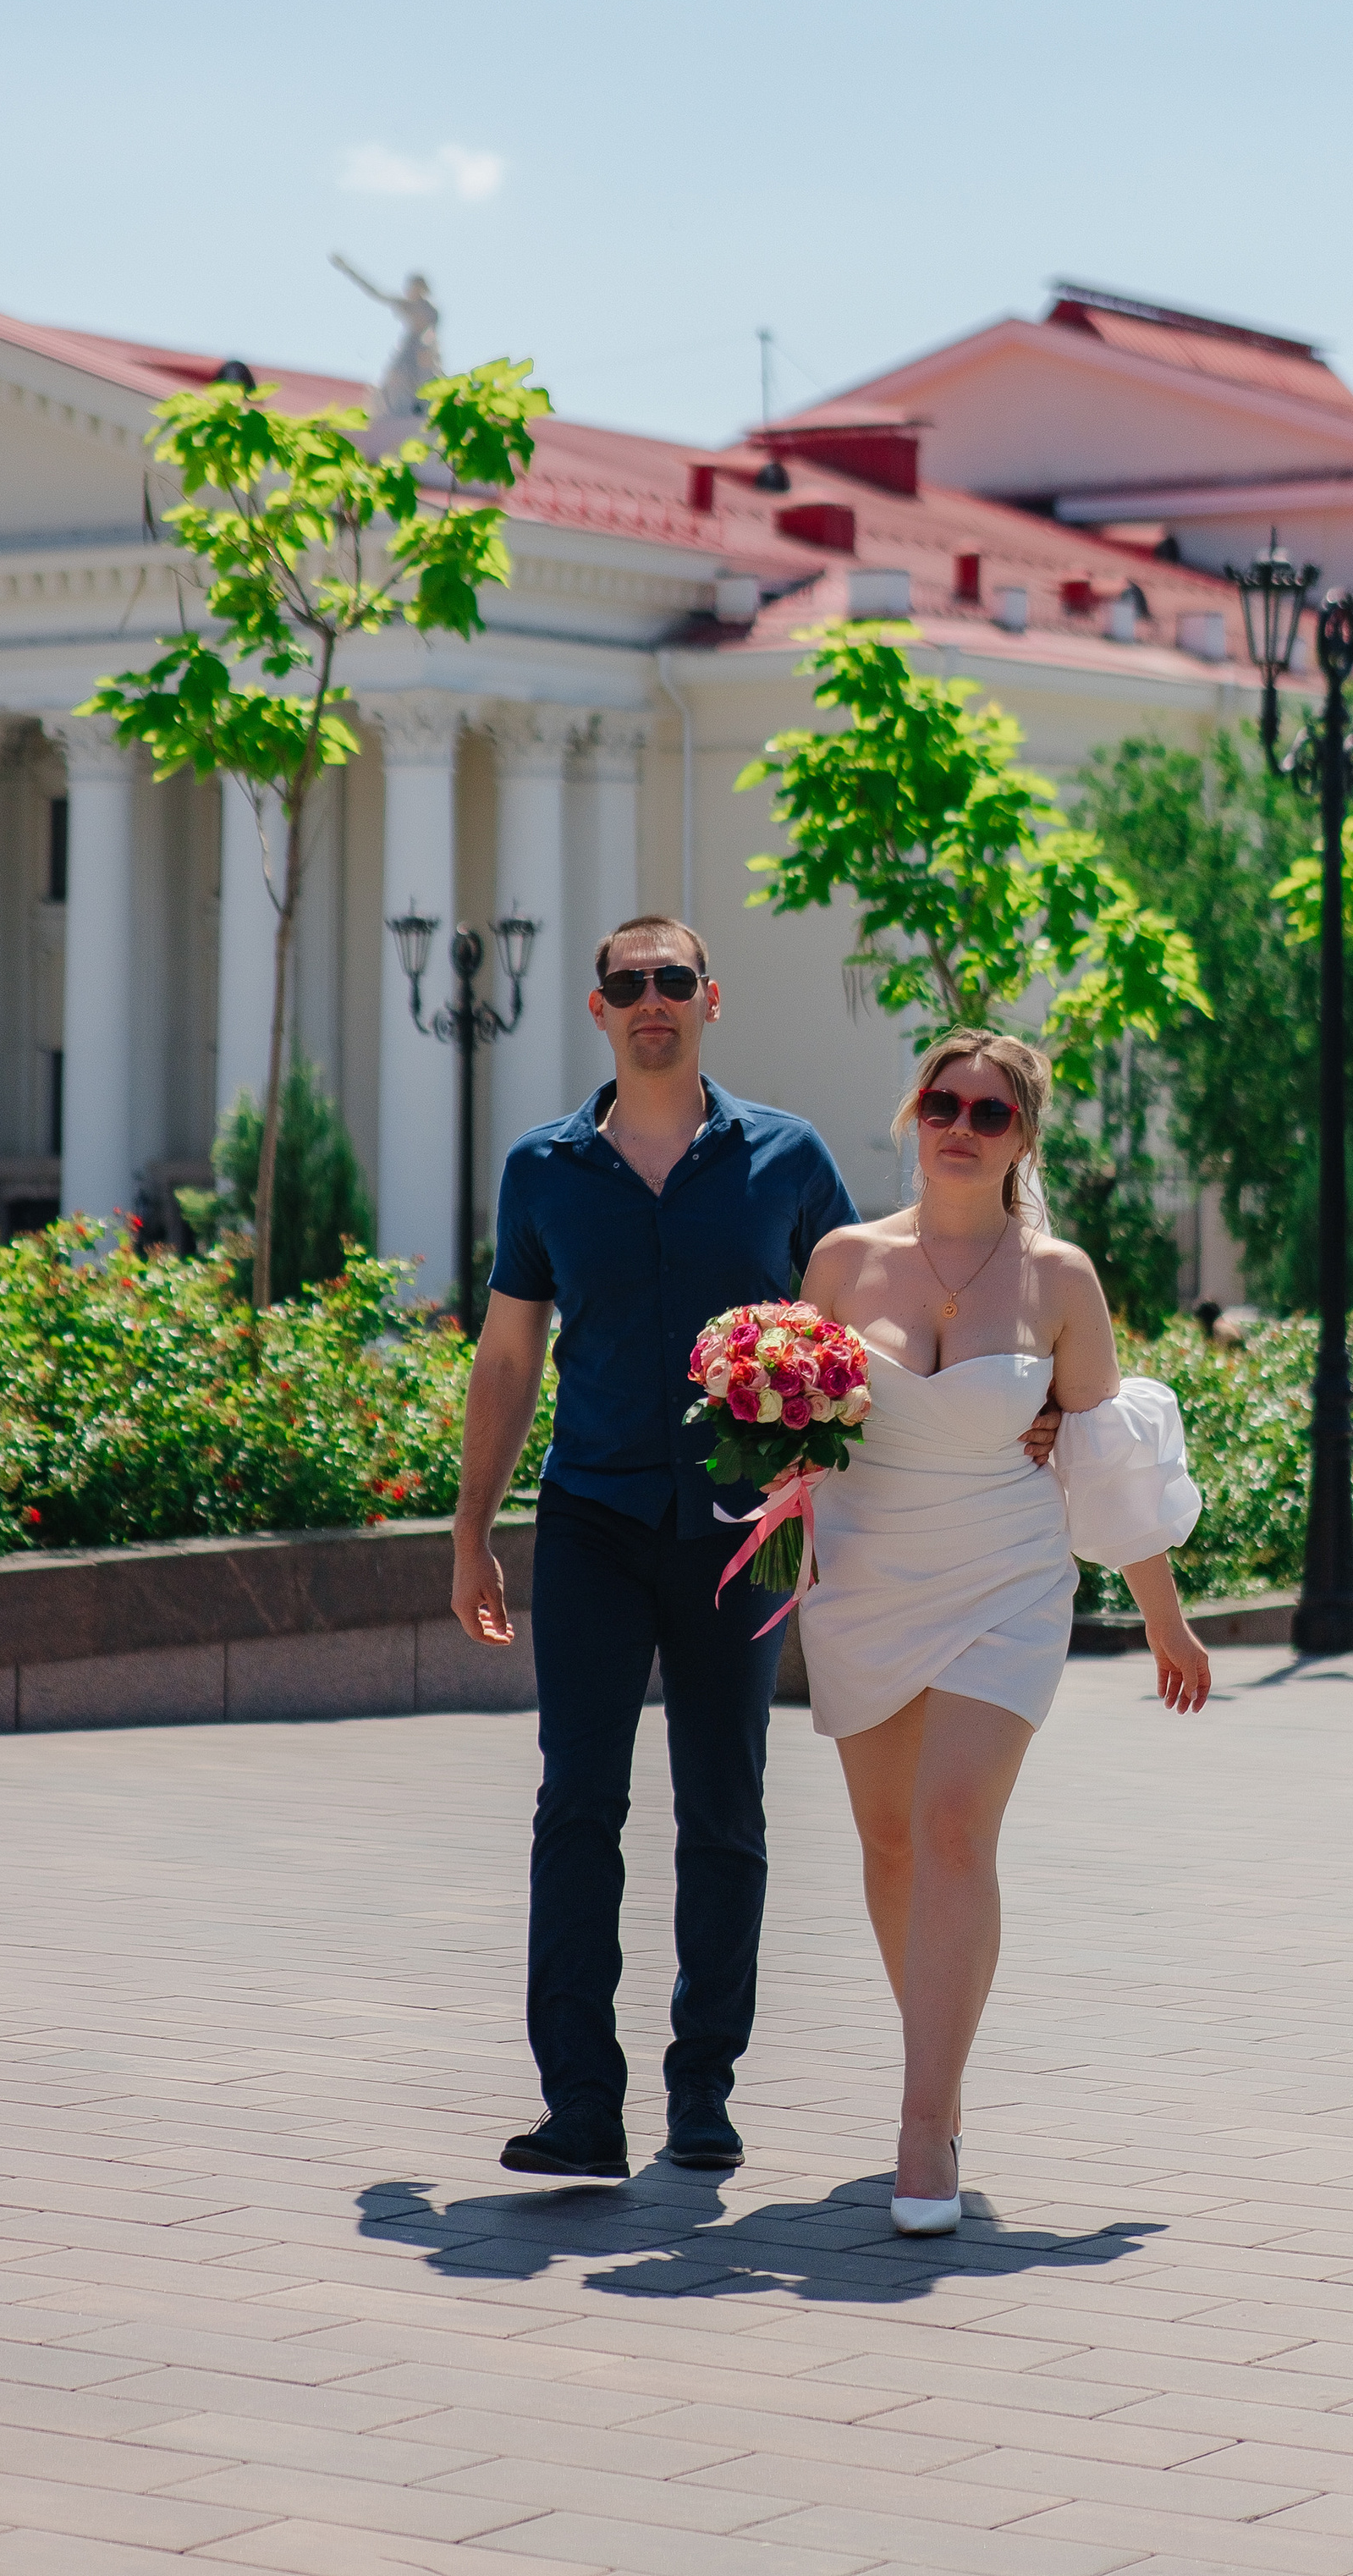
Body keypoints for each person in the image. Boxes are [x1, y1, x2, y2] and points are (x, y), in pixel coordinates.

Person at [449, 912, 860, 2184]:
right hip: (592, 1522)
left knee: (725, 1811)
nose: (650, 1000)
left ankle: (703, 2095)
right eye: (626, 983)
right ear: (598, 1010)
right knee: (578, 1802)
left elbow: (861, 1325)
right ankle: (579, 2104)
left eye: (671, 980)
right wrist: (471, 1530)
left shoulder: (786, 1160)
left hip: (744, 1532)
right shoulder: (545, 1170)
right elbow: (510, 1357)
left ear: (710, 999)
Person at [797, 1026, 1213, 2237]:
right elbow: (788, 1432)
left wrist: (1165, 1624)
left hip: (1007, 1581)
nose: (961, 1127)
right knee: (887, 1846)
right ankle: (946, 2065)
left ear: (1022, 1136)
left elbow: (1106, 1462)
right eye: (943, 1104)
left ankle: (922, 2127)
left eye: (990, 1113)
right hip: (869, 1578)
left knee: (950, 1825)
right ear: (911, 1116)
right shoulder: (839, 1261)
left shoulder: (1058, 1278)